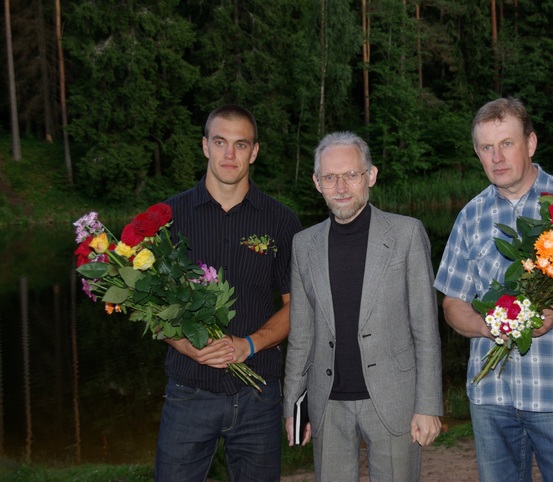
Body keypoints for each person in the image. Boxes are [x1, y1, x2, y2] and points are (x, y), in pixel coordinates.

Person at [434, 98, 553, 482]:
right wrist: (487, 326)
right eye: (486, 148)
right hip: (491, 399)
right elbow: (452, 303)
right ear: (477, 153)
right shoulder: (470, 216)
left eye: (506, 143)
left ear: (531, 143)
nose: (497, 157)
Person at [283, 131, 444, 481]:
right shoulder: (303, 245)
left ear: (370, 175)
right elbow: (301, 336)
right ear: (317, 183)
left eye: (351, 175)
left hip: (394, 399)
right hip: (327, 404)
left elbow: (426, 329)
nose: (341, 187)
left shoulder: (406, 234)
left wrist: (428, 405)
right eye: (330, 177)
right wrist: (294, 406)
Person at [155, 104, 302, 482]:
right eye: (220, 142)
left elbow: (298, 307)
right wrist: (186, 344)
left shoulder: (281, 221)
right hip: (188, 391)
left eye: (241, 144)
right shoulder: (167, 218)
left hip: (259, 395)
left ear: (254, 152)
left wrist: (249, 344)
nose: (230, 154)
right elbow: (151, 307)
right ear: (205, 145)